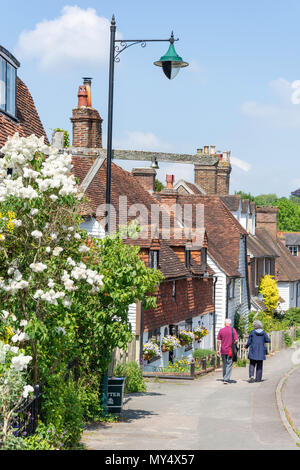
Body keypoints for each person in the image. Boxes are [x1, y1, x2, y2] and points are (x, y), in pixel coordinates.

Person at [217, 318, 238, 384]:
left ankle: (224, 377)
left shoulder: (221, 330)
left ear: (224, 323)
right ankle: (226, 379)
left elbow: (218, 341)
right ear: (230, 324)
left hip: (223, 350)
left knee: (224, 364)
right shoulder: (233, 330)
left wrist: (218, 350)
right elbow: (236, 340)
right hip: (230, 350)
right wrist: (234, 344)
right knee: (229, 364)